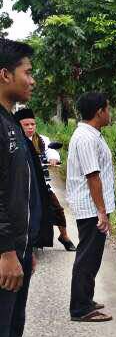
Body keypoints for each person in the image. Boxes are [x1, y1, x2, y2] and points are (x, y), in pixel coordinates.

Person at [0, 38, 61, 337]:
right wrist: (6, 250)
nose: (33, 79)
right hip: (3, 254)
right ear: (4, 74)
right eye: (27, 71)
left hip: (17, 252)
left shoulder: (11, 123)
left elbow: (22, 193)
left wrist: (27, 247)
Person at [65, 92, 116, 323]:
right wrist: (101, 211)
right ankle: (80, 308)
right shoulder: (86, 138)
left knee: (92, 256)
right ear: (99, 111)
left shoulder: (92, 135)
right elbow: (92, 176)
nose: (109, 113)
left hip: (93, 206)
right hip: (90, 207)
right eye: (108, 108)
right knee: (87, 257)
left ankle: (86, 298)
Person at [13, 107, 76, 252]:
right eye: (26, 124)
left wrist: (53, 158)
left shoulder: (42, 140)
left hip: (42, 184)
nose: (30, 127)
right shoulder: (14, 141)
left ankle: (64, 236)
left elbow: (50, 150)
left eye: (32, 124)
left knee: (57, 209)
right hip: (20, 185)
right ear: (19, 125)